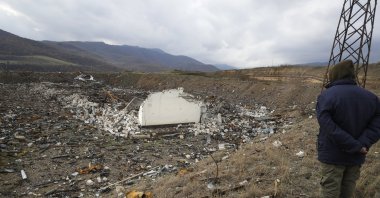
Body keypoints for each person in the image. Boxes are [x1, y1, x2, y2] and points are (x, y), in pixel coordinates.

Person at [316, 59, 380, 198]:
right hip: (356, 155)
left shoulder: (326, 96)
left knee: (330, 192)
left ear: (335, 75)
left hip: (332, 155)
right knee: (348, 192)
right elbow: (377, 125)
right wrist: (361, 144)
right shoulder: (372, 98)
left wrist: (354, 145)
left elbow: (328, 127)